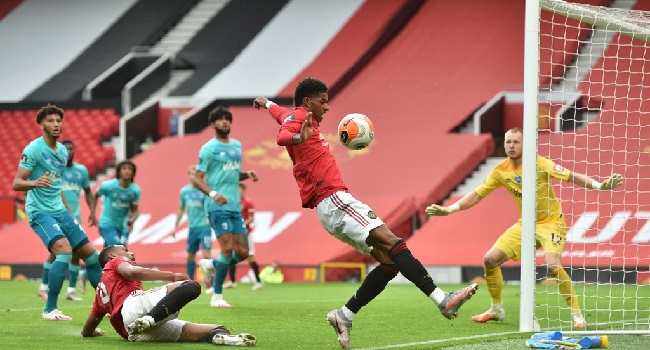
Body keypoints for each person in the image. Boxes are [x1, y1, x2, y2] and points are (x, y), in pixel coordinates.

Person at [253, 78, 478, 349]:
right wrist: (299, 137)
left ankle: (344, 315)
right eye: (322, 101)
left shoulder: (296, 115)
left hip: (328, 208)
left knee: (389, 262)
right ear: (306, 102)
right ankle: (443, 300)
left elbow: (279, 113)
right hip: (334, 198)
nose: (327, 106)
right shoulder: (300, 119)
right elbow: (282, 136)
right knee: (394, 244)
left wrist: (266, 103)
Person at [426, 127, 624, 328]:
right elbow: (477, 195)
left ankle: (577, 315)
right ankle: (496, 309)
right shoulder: (500, 171)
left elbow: (572, 176)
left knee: (552, 266)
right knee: (490, 259)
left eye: (516, 142)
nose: (511, 146)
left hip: (551, 223)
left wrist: (600, 186)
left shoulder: (540, 163)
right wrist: (450, 209)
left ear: (525, 145)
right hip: (525, 224)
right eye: (508, 142)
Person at [13, 104, 103, 321]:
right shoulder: (33, 149)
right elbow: (17, 183)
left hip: (60, 210)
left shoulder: (62, 151)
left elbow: (57, 186)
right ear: (42, 124)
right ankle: (50, 309)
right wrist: (35, 182)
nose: (56, 124)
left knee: (90, 256)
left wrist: (69, 213)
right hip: (39, 211)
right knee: (63, 251)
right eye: (51, 121)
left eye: (58, 121)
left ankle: (109, 304)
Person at [80, 245, 256, 346]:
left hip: (133, 333)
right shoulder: (115, 262)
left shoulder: (100, 292)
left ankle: (223, 338)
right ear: (112, 256)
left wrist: (95, 332)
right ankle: (149, 320)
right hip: (134, 307)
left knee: (215, 328)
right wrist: (172, 276)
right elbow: (132, 272)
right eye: (125, 250)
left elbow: (87, 329)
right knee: (191, 285)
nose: (130, 253)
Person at [193, 106, 259, 308]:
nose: (225, 122)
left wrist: (247, 175)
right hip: (216, 206)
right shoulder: (208, 148)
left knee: (243, 252)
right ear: (212, 124)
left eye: (227, 119)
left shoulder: (237, 146)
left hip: (234, 207)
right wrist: (213, 193)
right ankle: (217, 296)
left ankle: (210, 264)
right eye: (220, 119)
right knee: (228, 249)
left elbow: (231, 174)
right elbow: (197, 179)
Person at [37, 139, 94, 302]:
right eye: (66, 149)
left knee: (76, 252)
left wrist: (92, 211)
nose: (69, 151)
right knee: (57, 252)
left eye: (71, 148)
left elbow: (88, 191)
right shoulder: (54, 169)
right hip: (55, 215)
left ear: (74, 151)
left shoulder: (81, 170)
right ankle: (43, 286)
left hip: (74, 216)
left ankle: (70, 290)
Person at [172, 165, 213, 291]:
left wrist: (209, 217)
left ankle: (210, 281)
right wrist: (175, 227)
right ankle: (189, 280)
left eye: (195, 174)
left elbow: (211, 205)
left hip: (204, 227)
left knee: (206, 254)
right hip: (192, 228)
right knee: (190, 255)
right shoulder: (184, 191)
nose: (193, 176)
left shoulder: (205, 190)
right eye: (191, 174)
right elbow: (181, 209)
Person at [90, 160, 141, 248]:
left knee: (110, 252)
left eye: (130, 169)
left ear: (133, 173)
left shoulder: (135, 190)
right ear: (119, 172)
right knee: (118, 247)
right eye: (124, 168)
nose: (127, 171)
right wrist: (93, 214)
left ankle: (103, 261)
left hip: (123, 226)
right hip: (107, 223)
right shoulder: (108, 186)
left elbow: (135, 210)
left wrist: (132, 219)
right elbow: (95, 195)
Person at [224, 182, 263, 290]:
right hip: (234, 234)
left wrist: (241, 226)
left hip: (246, 234)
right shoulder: (232, 202)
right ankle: (232, 281)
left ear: (243, 190)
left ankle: (258, 282)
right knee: (232, 255)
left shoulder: (248, 202)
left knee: (250, 257)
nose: (237, 191)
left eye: (239, 189)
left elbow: (251, 218)